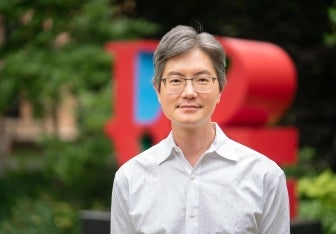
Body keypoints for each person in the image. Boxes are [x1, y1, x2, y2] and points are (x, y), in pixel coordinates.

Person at [111, 25, 290, 234]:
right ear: (158, 91)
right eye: (176, 80)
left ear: (220, 90)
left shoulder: (264, 176)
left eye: (202, 80)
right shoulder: (130, 178)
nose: (189, 92)